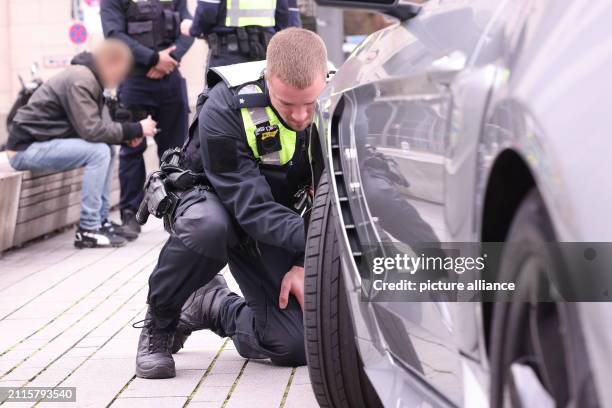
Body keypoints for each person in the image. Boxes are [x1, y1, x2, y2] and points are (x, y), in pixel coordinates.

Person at [134, 27, 327, 379]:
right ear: (268, 78)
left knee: (294, 345)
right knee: (208, 227)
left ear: (325, 80)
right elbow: (250, 209)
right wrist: (321, 245)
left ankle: (211, 305)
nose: (301, 117)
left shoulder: (339, 104)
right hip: (218, 203)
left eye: (310, 104)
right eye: (288, 104)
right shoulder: (226, 106)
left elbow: (330, 194)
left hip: (283, 218)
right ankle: (160, 323)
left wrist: (305, 262)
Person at [5, 40, 158, 248]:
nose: (121, 79)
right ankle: (88, 228)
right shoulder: (81, 79)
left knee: (107, 150)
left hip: (43, 143)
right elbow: (92, 130)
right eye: (121, 72)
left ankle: (100, 221)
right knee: (98, 152)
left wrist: (127, 135)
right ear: (110, 62)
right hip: (24, 149)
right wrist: (136, 129)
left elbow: (101, 126)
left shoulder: (91, 78)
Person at [101, 0, 195, 239]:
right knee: (132, 148)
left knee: (177, 152)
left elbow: (189, 28)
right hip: (134, 80)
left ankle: (179, 213)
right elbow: (114, 35)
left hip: (171, 79)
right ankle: (130, 216)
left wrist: (168, 60)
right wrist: (153, 59)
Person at [181, 0, 302, 72]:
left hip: (228, 55)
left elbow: (207, 11)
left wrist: (194, 29)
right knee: (260, 107)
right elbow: (286, 17)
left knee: (220, 106)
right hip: (264, 54)